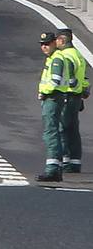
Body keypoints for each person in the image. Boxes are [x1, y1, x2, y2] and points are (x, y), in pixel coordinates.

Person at [39, 30, 79, 182]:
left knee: (51, 132)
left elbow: (55, 81)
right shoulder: (55, 58)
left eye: (47, 44)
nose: (44, 47)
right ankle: (56, 167)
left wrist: (44, 92)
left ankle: (53, 169)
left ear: (55, 43)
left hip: (53, 98)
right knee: (57, 131)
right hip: (58, 97)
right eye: (42, 44)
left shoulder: (56, 59)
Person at [53, 28, 87, 175]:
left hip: (67, 95)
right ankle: (75, 162)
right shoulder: (78, 55)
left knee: (62, 129)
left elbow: (70, 78)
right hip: (76, 96)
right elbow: (83, 78)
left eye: (56, 40)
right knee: (73, 129)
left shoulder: (64, 56)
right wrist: (84, 91)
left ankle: (65, 160)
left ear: (61, 40)